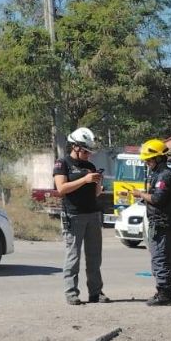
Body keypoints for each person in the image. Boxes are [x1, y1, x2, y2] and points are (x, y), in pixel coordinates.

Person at [54, 127, 107, 305]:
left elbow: (96, 193)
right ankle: (71, 293)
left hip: (92, 215)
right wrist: (84, 180)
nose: (88, 155)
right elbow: (61, 189)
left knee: (94, 257)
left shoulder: (90, 166)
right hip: (73, 215)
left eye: (90, 152)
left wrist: (98, 183)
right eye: (85, 151)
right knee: (73, 256)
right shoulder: (62, 164)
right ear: (75, 147)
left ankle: (96, 292)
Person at [132, 138, 171, 306]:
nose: (147, 163)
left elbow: (158, 199)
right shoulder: (159, 175)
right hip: (162, 222)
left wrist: (140, 194)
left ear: (158, 158)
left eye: (149, 160)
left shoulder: (164, 176)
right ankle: (167, 291)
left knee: (161, 258)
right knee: (165, 258)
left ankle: (164, 294)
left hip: (162, 224)